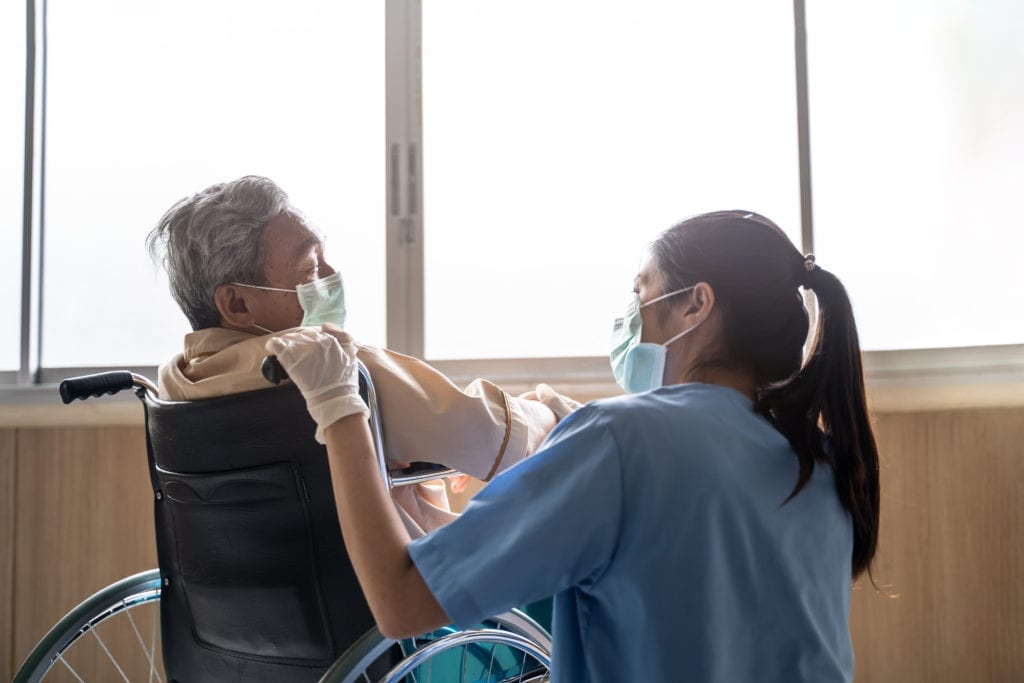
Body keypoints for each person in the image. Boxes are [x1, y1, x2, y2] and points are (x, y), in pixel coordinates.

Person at [269, 210, 881, 682]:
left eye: (641, 293)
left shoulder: (622, 439)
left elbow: (401, 602)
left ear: (697, 303)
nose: (631, 316)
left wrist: (339, 405)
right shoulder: (820, 459)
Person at [146, 175, 580, 536]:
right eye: (311, 268)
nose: (333, 277)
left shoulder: (176, 385)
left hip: (252, 616)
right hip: (403, 613)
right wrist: (548, 407)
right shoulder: (332, 369)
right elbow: (497, 440)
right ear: (237, 304)